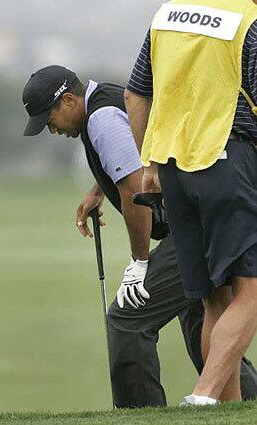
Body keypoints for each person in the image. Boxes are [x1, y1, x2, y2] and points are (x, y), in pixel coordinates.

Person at [22, 65, 257, 407]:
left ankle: (141, 414)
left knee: (127, 321)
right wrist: (98, 190)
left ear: (70, 100)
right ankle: (246, 404)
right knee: (199, 316)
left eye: (49, 119)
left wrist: (139, 261)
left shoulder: (101, 118)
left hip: (198, 224)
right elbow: (132, 157)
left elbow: (135, 192)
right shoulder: (108, 100)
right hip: (206, 212)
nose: (52, 129)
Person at [124, 0, 257, 406]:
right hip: (227, 160)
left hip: (172, 168)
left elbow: (135, 95)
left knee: (213, 297)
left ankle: (225, 409)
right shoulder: (248, 20)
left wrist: (148, 163)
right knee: (251, 290)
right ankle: (202, 396)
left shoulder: (166, 15)